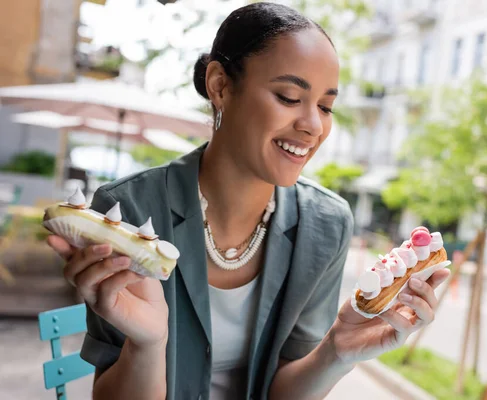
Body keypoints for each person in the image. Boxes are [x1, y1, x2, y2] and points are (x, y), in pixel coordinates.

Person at [47, 3, 449, 400]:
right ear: (220, 86)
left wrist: (336, 351)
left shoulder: (328, 224)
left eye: (326, 106)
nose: (313, 125)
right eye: (290, 97)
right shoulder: (126, 211)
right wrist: (147, 345)